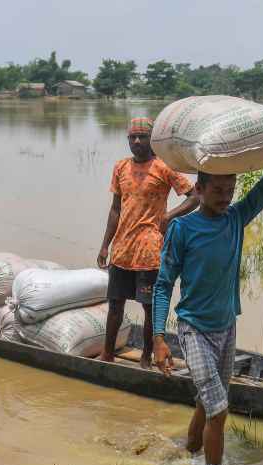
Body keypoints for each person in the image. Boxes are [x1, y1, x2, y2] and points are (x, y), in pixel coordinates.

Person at [151, 160, 263, 465]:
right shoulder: (182, 229)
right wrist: (158, 338)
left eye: (230, 190)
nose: (226, 198)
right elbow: (163, 285)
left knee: (206, 403)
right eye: (217, 191)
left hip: (226, 328)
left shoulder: (236, 219)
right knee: (218, 408)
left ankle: (190, 452)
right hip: (193, 330)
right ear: (198, 190)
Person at [97, 117, 198, 367]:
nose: (137, 142)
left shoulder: (163, 167)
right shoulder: (121, 167)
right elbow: (115, 209)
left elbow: (195, 196)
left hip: (150, 252)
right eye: (133, 137)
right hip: (122, 250)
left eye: (142, 137)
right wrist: (104, 245)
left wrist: (169, 216)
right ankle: (107, 354)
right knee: (115, 306)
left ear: (152, 140)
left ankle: (146, 357)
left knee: (149, 308)